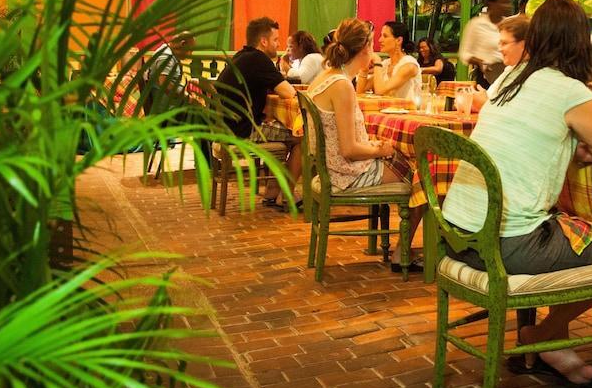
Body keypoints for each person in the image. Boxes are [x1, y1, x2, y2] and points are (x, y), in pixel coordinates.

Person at [442, 0, 592, 388]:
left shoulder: (508, 79)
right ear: (580, 43)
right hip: (509, 246)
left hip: (459, 237)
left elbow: (526, 136)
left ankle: (551, 344)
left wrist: (570, 147)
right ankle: (545, 335)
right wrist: (583, 147)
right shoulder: (571, 92)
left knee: (568, 227)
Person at [307, 19, 415, 270]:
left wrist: (375, 147)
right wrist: (379, 150)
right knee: (421, 175)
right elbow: (349, 150)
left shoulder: (326, 77)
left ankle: (400, 248)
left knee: (403, 161)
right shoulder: (341, 85)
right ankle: (403, 252)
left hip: (332, 167)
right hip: (346, 173)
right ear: (365, 48)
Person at [215, 17, 302, 208]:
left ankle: (272, 191)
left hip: (227, 129)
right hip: (244, 132)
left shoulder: (241, 56)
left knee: (281, 131)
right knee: (302, 137)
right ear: (263, 41)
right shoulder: (259, 59)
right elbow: (288, 92)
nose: (278, 44)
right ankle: (286, 195)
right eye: (275, 40)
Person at [471, 14, 529, 112]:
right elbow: (488, 99)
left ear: (523, 45)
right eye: (500, 43)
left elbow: (516, 114)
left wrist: (484, 104)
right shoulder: (511, 70)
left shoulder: (533, 76)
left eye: (504, 43)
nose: (499, 49)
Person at [459, 0, 511, 88]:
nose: (509, 6)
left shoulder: (510, 24)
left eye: (509, 2)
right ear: (492, 4)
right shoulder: (476, 25)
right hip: (486, 78)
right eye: (505, 2)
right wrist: (480, 62)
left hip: (507, 76)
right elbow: (464, 54)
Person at [357, 21, 421, 102]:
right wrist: (364, 69)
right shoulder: (386, 64)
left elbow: (380, 91)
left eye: (385, 36)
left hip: (408, 109)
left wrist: (377, 61)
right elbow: (360, 91)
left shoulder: (410, 65)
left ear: (399, 40)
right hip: (388, 108)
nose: (380, 40)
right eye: (381, 36)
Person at [142, 31, 195, 115]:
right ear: (183, 44)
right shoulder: (166, 56)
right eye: (190, 50)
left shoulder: (168, 52)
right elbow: (165, 84)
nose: (190, 54)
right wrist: (188, 98)